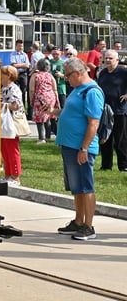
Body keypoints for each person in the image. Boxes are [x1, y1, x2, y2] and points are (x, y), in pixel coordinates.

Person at [55, 57, 103, 240]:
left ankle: (88, 226)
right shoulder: (77, 90)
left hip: (81, 148)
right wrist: (53, 111)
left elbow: (93, 123)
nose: (66, 79)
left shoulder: (92, 92)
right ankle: (78, 221)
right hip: (69, 145)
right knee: (77, 187)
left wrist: (84, 148)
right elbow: (72, 112)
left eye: (68, 76)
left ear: (78, 73)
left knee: (86, 186)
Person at [95, 50, 127, 172]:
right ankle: (106, 165)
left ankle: (123, 165)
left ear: (117, 60)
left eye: (110, 58)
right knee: (105, 138)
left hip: (120, 110)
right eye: (106, 58)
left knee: (121, 139)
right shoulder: (103, 73)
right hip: (105, 110)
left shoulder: (123, 72)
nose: (107, 60)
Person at [0, 66, 24, 185]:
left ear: (8, 75)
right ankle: (8, 175)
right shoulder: (3, 88)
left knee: (12, 149)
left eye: (2, 74)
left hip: (11, 123)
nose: (0, 76)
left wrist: (1, 104)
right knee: (4, 149)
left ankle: (15, 176)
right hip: (3, 122)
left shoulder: (14, 89)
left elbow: (16, 106)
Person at [30, 58, 59, 143]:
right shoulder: (50, 76)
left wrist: (31, 100)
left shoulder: (35, 75)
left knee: (39, 118)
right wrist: (56, 100)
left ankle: (41, 138)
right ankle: (48, 136)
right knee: (48, 117)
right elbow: (55, 89)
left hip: (40, 98)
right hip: (50, 97)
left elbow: (32, 89)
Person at [9, 39, 30, 112]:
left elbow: (27, 66)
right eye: (19, 46)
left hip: (23, 74)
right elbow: (13, 65)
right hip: (16, 74)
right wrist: (22, 65)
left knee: (23, 91)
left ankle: (23, 108)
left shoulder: (25, 55)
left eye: (22, 46)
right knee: (14, 91)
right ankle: (15, 107)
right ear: (16, 46)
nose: (21, 47)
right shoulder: (12, 54)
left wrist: (20, 65)